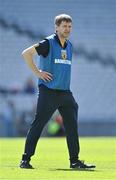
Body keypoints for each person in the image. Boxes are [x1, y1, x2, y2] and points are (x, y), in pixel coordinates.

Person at [20, 14, 96, 169]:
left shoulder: (69, 46)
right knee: (38, 124)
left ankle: (74, 161)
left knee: (72, 126)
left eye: (69, 26)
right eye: (64, 26)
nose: (67, 29)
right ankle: (25, 160)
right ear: (56, 27)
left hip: (65, 93)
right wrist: (38, 72)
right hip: (48, 91)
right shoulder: (48, 43)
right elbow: (26, 53)